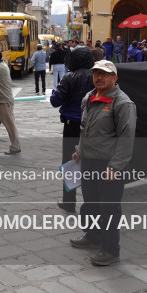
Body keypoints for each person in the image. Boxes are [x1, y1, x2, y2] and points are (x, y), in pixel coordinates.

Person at [69, 60, 136, 266]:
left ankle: (110, 250)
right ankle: (93, 236)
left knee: (109, 208)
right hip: (89, 161)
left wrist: (115, 167)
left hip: (109, 165)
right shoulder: (89, 98)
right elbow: (85, 128)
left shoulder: (123, 103)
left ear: (114, 78)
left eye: (104, 74)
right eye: (96, 73)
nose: (99, 77)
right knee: (91, 204)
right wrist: (80, 150)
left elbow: (126, 138)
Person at [50, 46, 94, 213]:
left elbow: (55, 101)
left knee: (70, 164)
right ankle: (91, 201)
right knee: (90, 163)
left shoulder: (69, 77)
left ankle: (69, 202)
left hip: (72, 126)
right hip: (92, 126)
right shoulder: (95, 76)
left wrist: (56, 90)